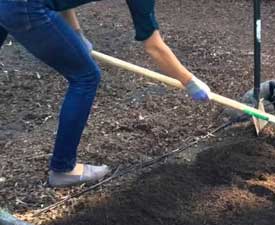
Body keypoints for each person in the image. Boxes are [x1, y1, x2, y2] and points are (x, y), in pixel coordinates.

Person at [0, 0, 212, 187]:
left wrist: (75, 33)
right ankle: (63, 169)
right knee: (86, 77)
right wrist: (190, 82)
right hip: (24, 6)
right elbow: (154, 47)